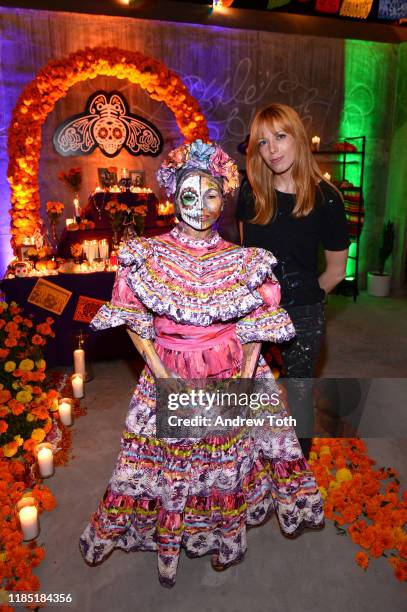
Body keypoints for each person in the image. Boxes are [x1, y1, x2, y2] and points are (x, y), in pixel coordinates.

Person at [79, 139, 325, 588]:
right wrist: (160, 373)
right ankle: (178, 532)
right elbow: (134, 319)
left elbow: (255, 325)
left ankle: (219, 533)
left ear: (224, 197)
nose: (200, 205)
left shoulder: (245, 261)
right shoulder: (145, 255)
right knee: (174, 460)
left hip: (230, 373)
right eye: (189, 195)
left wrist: (247, 381)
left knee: (222, 462)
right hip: (169, 373)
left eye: (211, 193)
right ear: (173, 197)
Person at [236, 104, 350, 457]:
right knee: (247, 390)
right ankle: (249, 463)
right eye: (263, 143)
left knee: (299, 397)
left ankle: (294, 476)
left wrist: (302, 300)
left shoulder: (327, 199)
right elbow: (246, 257)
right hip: (255, 311)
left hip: (303, 314)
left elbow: (336, 271)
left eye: (280, 137)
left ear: (298, 137)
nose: (272, 150)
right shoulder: (251, 193)